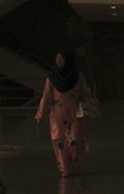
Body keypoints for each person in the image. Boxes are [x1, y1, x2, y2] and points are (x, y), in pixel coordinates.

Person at [35, 50, 88, 178]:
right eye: (57, 58)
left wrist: (87, 105)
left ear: (68, 60)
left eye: (62, 58)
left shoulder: (78, 76)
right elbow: (46, 97)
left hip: (74, 113)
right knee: (60, 141)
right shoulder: (52, 78)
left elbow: (85, 93)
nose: (58, 61)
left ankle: (75, 164)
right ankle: (65, 168)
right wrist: (40, 114)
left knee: (75, 139)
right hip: (57, 116)